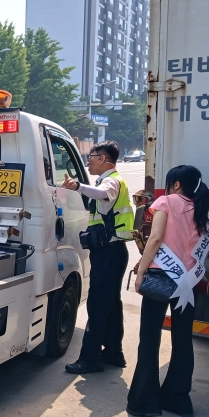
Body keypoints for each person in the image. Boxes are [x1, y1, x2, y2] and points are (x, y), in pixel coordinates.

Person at [128, 166, 209, 417]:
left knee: (150, 339)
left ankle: (145, 401)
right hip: (188, 283)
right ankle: (177, 399)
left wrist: (141, 271)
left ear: (175, 184)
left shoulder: (166, 201)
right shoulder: (202, 211)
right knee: (183, 340)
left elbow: (155, 240)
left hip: (161, 280)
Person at [61, 140, 134, 374]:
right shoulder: (108, 180)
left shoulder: (112, 181)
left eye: (91, 156)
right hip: (111, 252)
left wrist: (77, 186)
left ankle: (89, 359)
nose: (88, 161)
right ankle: (114, 353)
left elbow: (103, 194)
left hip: (109, 252)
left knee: (98, 304)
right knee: (111, 304)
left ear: (103, 159)